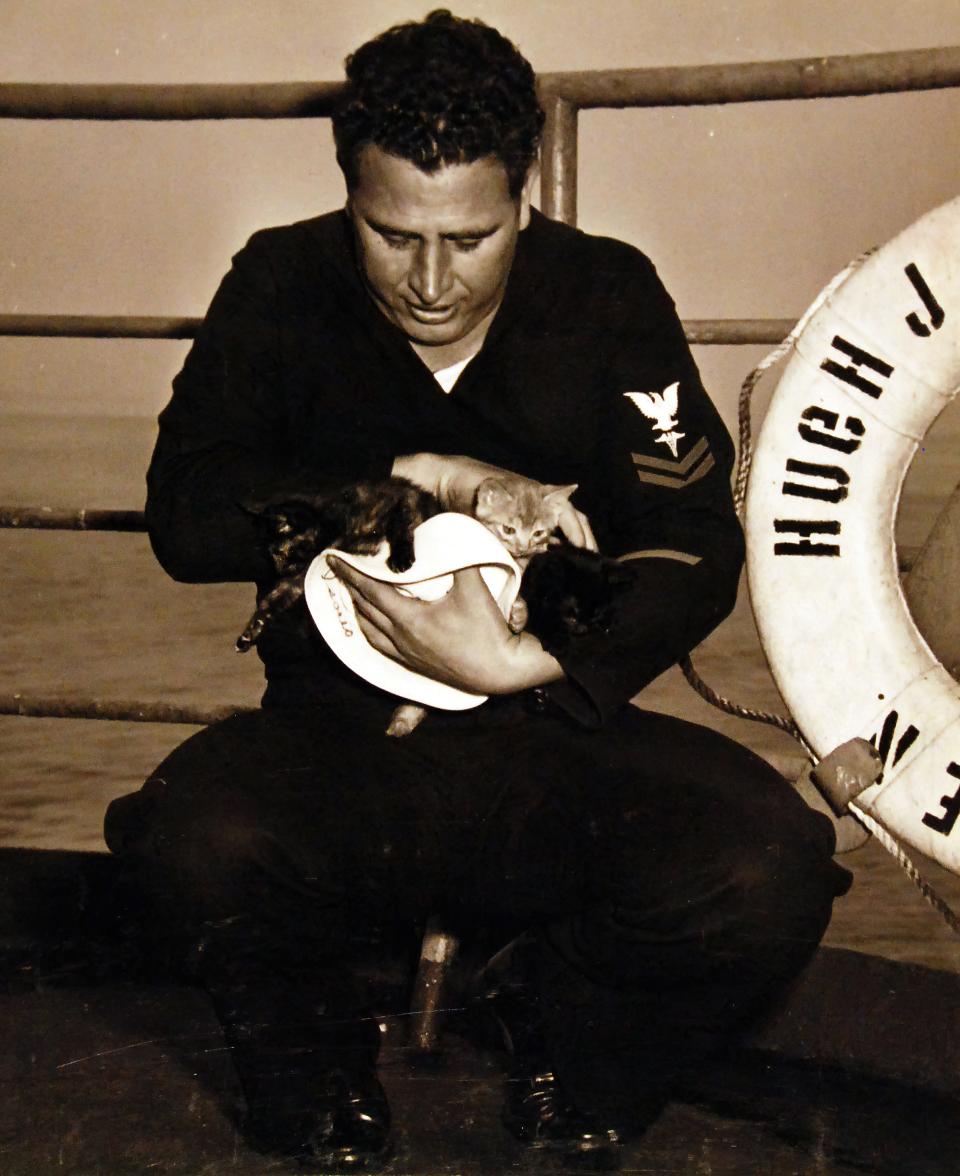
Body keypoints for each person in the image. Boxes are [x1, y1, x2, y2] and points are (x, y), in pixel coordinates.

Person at [104, 10, 851, 1171]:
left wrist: (529, 663)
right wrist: (401, 479)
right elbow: (186, 514)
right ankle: (320, 1073)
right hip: (336, 741)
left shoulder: (607, 293)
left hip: (552, 731)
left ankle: (569, 1045)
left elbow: (693, 535)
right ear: (347, 184)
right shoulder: (278, 279)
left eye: (472, 236)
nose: (433, 282)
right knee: (185, 833)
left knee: (775, 866)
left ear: (528, 189)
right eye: (392, 232)